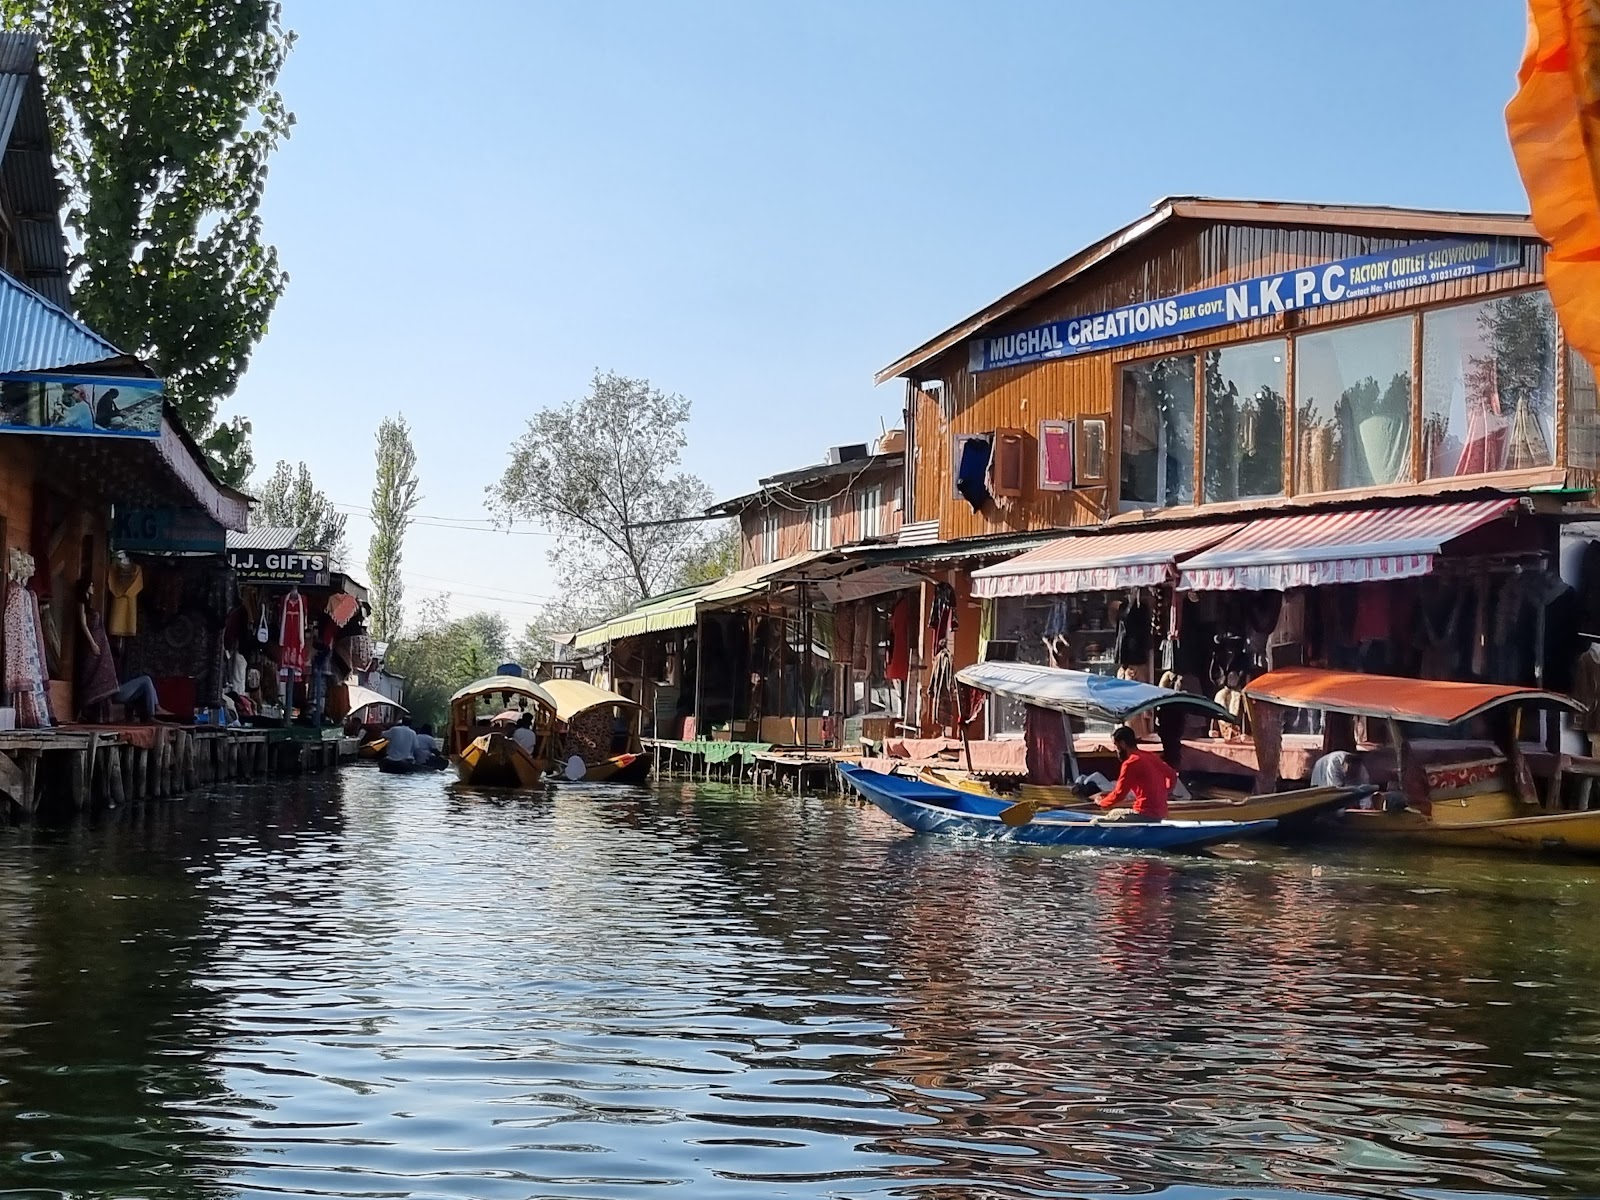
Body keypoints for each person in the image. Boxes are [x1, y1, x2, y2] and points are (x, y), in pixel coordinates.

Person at [76, 579, 166, 722]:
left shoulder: (90, 607)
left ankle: (154, 709)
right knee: (146, 681)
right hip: (113, 693)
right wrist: (93, 643)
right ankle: (153, 711)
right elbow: (83, 625)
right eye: (91, 584)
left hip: (115, 691)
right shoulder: (82, 605)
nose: (93, 587)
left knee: (146, 682)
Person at [1095, 725, 1178, 822]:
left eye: (1115, 745)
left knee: (1095, 822)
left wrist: (1102, 803)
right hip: (1161, 813)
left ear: (1122, 744)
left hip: (1144, 814)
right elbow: (1172, 775)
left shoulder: (1130, 763)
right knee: (1114, 813)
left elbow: (1119, 794)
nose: (1115, 750)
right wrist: (1166, 792)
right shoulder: (1151, 756)